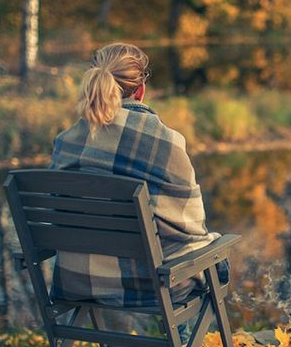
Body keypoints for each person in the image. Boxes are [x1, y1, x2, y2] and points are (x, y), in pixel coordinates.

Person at [49, 42, 227, 309]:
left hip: (79, 283)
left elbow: (59, 216)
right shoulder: (166, 142)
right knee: (214, 261)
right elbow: (192, 227)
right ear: (141, 91)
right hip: (153, 288)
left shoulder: (66, 142)